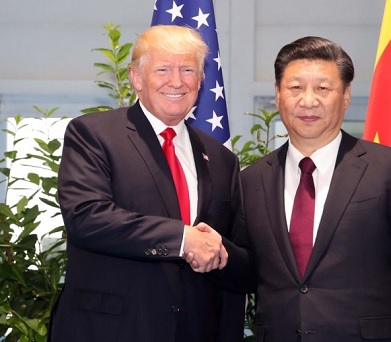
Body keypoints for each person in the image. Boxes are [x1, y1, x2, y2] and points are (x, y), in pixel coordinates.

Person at [233, 36, 391, 341]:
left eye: (323, 88)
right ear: (278, 95)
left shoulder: (390, 170)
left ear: (345, 96)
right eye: (295, 88)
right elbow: (248, 272)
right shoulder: (251, 180)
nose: (308, 100)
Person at [49, 25, 245, 342]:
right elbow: (86, 217)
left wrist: (220, 252)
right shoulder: (94, 134)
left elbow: (242, 259)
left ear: (200, 80)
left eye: (187, 70)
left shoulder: (222, 159)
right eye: (163, 69)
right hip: (110, 332)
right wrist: (184, 239)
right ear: (137, 77)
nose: (177, 81)